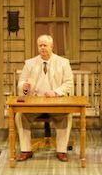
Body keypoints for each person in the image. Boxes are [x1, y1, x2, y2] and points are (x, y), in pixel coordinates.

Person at [15, 34, 74, 162]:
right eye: (40, 45)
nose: (42, 48)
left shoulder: (63, 63)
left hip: (56, 103)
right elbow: (21, 82)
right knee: (20, 116)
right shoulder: (30, 63)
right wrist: (24, 87)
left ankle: (61, 150)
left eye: (45, 45)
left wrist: (56, 92)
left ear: (51, 46)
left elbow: (68, 83)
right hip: (35, 104)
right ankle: (26, 150)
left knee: (66, 116)